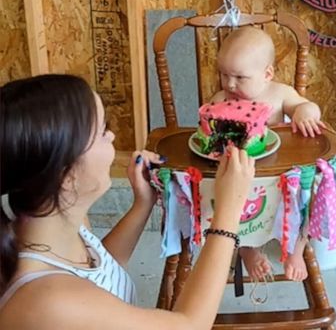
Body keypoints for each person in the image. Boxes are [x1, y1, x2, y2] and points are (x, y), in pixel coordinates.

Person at [0, 74, 255, 329]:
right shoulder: (48, 303)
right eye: (102, 131)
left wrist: (142, 203)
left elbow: (102, 272)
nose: (112, 136)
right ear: (65, 176)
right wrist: (228, 210)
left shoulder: (50, 222)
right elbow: (190, 325)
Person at [211, 27, 326, 282]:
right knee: (229, 201)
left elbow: (305, 106)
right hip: (245, 176)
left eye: (240, 77)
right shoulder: (222, 98)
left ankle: (296, 250)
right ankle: (247, 248)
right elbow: (209, 130)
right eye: (224, 75)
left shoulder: (280, 94)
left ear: (267, 74)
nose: (230, 84)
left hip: (283, 176)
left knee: (308, 196)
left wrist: (305, 112)